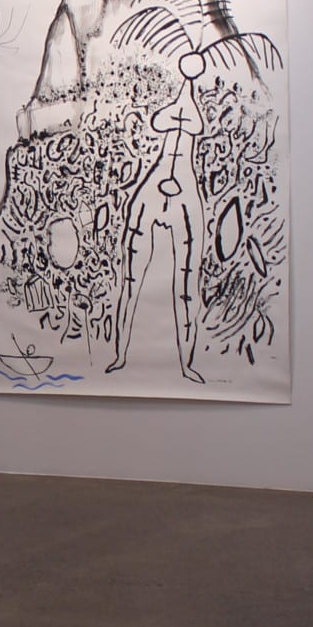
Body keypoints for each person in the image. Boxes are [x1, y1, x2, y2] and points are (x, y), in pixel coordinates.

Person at [109, 48, 209, 379]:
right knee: (132, 277)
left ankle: (186, 363)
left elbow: (188, 124)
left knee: (186, 278)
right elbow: (161, 121)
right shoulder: (178, 113)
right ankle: (121, 354)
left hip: (180, 184)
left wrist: (183, 102)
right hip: (162, 181)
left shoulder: (189, 114)